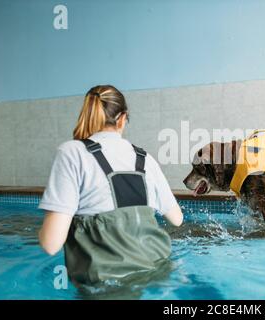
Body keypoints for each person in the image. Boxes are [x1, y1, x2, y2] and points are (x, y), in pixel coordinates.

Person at [38, 85, 183, 285]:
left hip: (106, 285)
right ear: (122, 118)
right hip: (159, 271)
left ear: (88, 113)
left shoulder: (71, 152)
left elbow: (50, 244)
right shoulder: (144, 157)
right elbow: (177, 219)